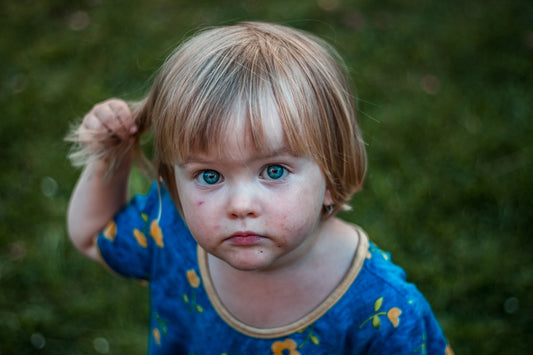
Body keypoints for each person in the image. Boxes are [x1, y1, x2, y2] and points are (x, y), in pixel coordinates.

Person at [67, 21, 453, 354]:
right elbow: (91, 236)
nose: (240, 205)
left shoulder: (382, 311)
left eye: (274, 170)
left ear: (332, 177)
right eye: (209, 176)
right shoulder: (171, 230)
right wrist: (109, 158)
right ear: (172, 183)